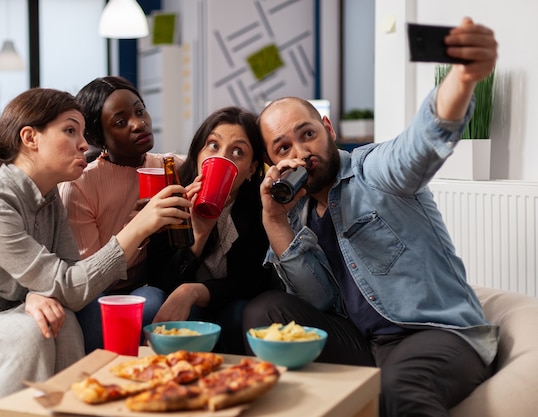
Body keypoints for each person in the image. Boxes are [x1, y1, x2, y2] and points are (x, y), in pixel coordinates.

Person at [243, 18, 499, 417]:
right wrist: (275, 221)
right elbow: (320, 301)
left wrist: (463, 78)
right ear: (271, 163)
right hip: (367, 343)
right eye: (283, 148)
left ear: (327, 129)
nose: (300, 152)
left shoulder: (374, 170)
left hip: (435, 334)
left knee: (398, 385)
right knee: (264, 312)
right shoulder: (299, 210)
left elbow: (421, 145)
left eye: (307, 134)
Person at [0, 87, 192, 417]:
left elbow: (71, 287)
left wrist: (35, 293)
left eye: (82, 133)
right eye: (70, 130)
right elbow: (70, 286)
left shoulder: (47, 200)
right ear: (30, 137)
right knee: (33, 330)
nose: (85, 145)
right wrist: (138, 227)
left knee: (63, 321)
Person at [59, 76, 183, 353]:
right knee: (98, 309)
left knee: (152, 300)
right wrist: (135, 228)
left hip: (145, 288)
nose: (139, 123)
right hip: (95, 291)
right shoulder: (80, 185)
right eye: (120, 121)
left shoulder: (171, 167)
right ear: (96, 137)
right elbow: (88, 279)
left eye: (140, 111)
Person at [145, 106, 277, 354]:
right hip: (183, 305)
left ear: (251, 169)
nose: (223, 157)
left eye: (237, 151)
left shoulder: (260, 208)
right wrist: (198, 232)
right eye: (213, 146)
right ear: (197, 153)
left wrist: (195, 291)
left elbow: (251, 283)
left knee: (240, 313)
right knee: (154, 300)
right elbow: (160, 280)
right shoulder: (172, 196)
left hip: (229, 304)